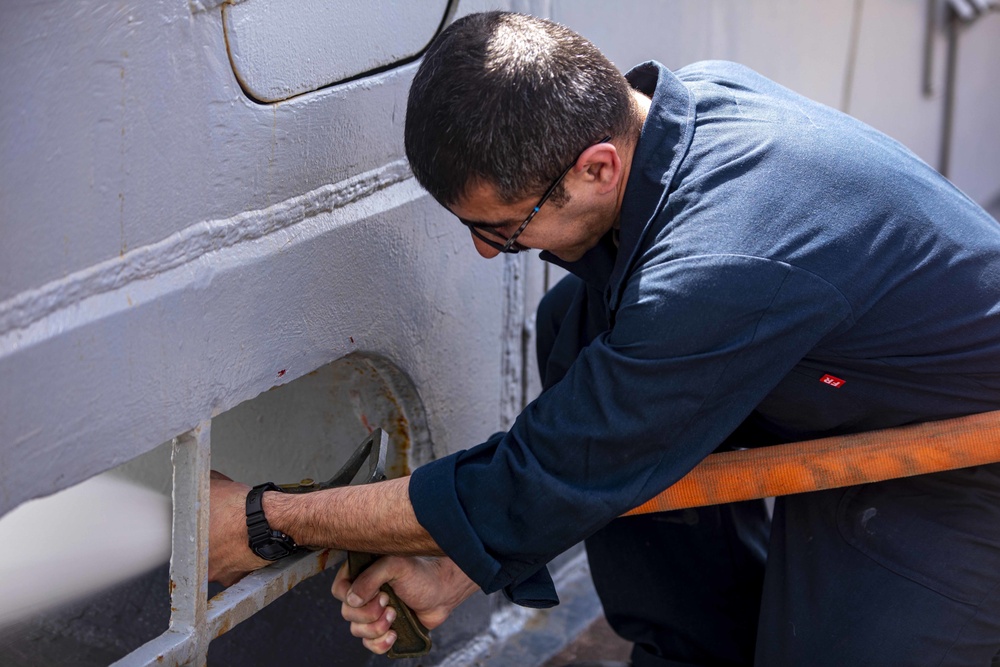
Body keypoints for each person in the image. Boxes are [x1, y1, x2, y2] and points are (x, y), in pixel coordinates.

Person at [208, 11, 1000, 666]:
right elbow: (576, 454)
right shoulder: (680, 116)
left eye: (504, 229)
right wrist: (458, 556)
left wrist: (263, 522)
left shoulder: (720, 262)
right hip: (841, 402)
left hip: (963, 465)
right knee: (578, 326)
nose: (488, 252)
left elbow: (544, 474)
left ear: (595, 167)